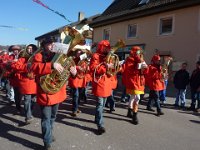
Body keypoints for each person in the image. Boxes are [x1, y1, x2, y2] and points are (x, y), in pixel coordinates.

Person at [30, 37, 77, 150]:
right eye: (49, 44)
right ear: (44, 45)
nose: (51, 46)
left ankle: (49, 133)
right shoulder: (39, 56)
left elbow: (66, 72)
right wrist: (51, 65)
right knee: (46, 117)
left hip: (57, 91)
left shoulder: (61, 56)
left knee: (53, 116)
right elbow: (34, 67)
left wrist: (73, 72)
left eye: (52, 44)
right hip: (45, 91)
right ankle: (47, 141)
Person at [89, 40, 113, 134]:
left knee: (102, 105)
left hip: (107, 83)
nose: (108, 49)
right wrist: (105, 67)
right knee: (100, 105)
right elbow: (93, 69)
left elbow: (112, 70)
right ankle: (100, 125)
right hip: (99, 83)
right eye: (106, 47)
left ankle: (97, 118)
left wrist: (114, 67)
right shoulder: (95, 56)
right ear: (102, 47)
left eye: (108, 47)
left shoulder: (109, 57)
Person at [11, 44, 38, 124]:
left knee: (33, 100)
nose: (30, 50)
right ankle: (28, 116)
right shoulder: (23, 58)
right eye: (29, 48)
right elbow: (15, 66)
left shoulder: (37, 58)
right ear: (26, 50)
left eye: (32, 48)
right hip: (26, 82)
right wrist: (26, 66)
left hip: (34, 82)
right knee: (27, 100)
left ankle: (30, 112)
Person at [121, 46, 148, 124]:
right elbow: (128, 71)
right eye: (137, 52)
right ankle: (134, 115)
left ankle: (129, 111)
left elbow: (146, 71)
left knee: (133, 97)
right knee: (137, 97)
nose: (138, 53)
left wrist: (145, 68)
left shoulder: (141, 59)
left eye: (139, 52)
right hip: (133, 81)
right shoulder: (129, 60)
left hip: (140, 81)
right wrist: (137, 64)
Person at [68, 49, 90, 117]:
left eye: (80, 53)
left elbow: (87, 69)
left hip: (82, 79)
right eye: (77, 53)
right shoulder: (73, 59)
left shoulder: (84, 60)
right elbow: (69, 67)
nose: (79, 54)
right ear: (75, 53)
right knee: (76, 95)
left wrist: (87, 68)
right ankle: (74, 110)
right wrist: (78, 67)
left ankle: (77, 107)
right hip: (75, 79)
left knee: (80, 95)